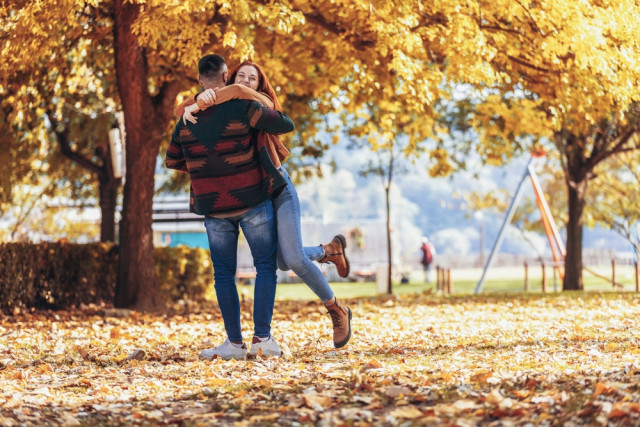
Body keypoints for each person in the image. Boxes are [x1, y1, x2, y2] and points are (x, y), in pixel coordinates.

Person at [175, 60, 353, 349]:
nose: (245, 81)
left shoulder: (259, 107)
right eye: (240, 77)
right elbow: (180, 112)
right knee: (282, 260)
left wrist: (238, 93)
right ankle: (328, 251)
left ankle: (336, 309)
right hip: (251, 197)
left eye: (251, 79)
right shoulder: (223, 110)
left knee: (292, 259)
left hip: (277, 191)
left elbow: (286, 122)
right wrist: (199, 98)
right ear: (228, 80)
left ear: (259, 85)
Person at [166, 54, 293, 360]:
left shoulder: (187, 116)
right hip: (252, 200)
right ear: (227, 77)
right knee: (265, 266)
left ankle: (234, 344)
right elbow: (285, 123)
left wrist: (206, 169)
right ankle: (262, 339)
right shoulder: (245, 107)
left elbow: (172, 159)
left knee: (223, 274)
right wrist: (245, 94)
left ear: (200, 81)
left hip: (213, 206)